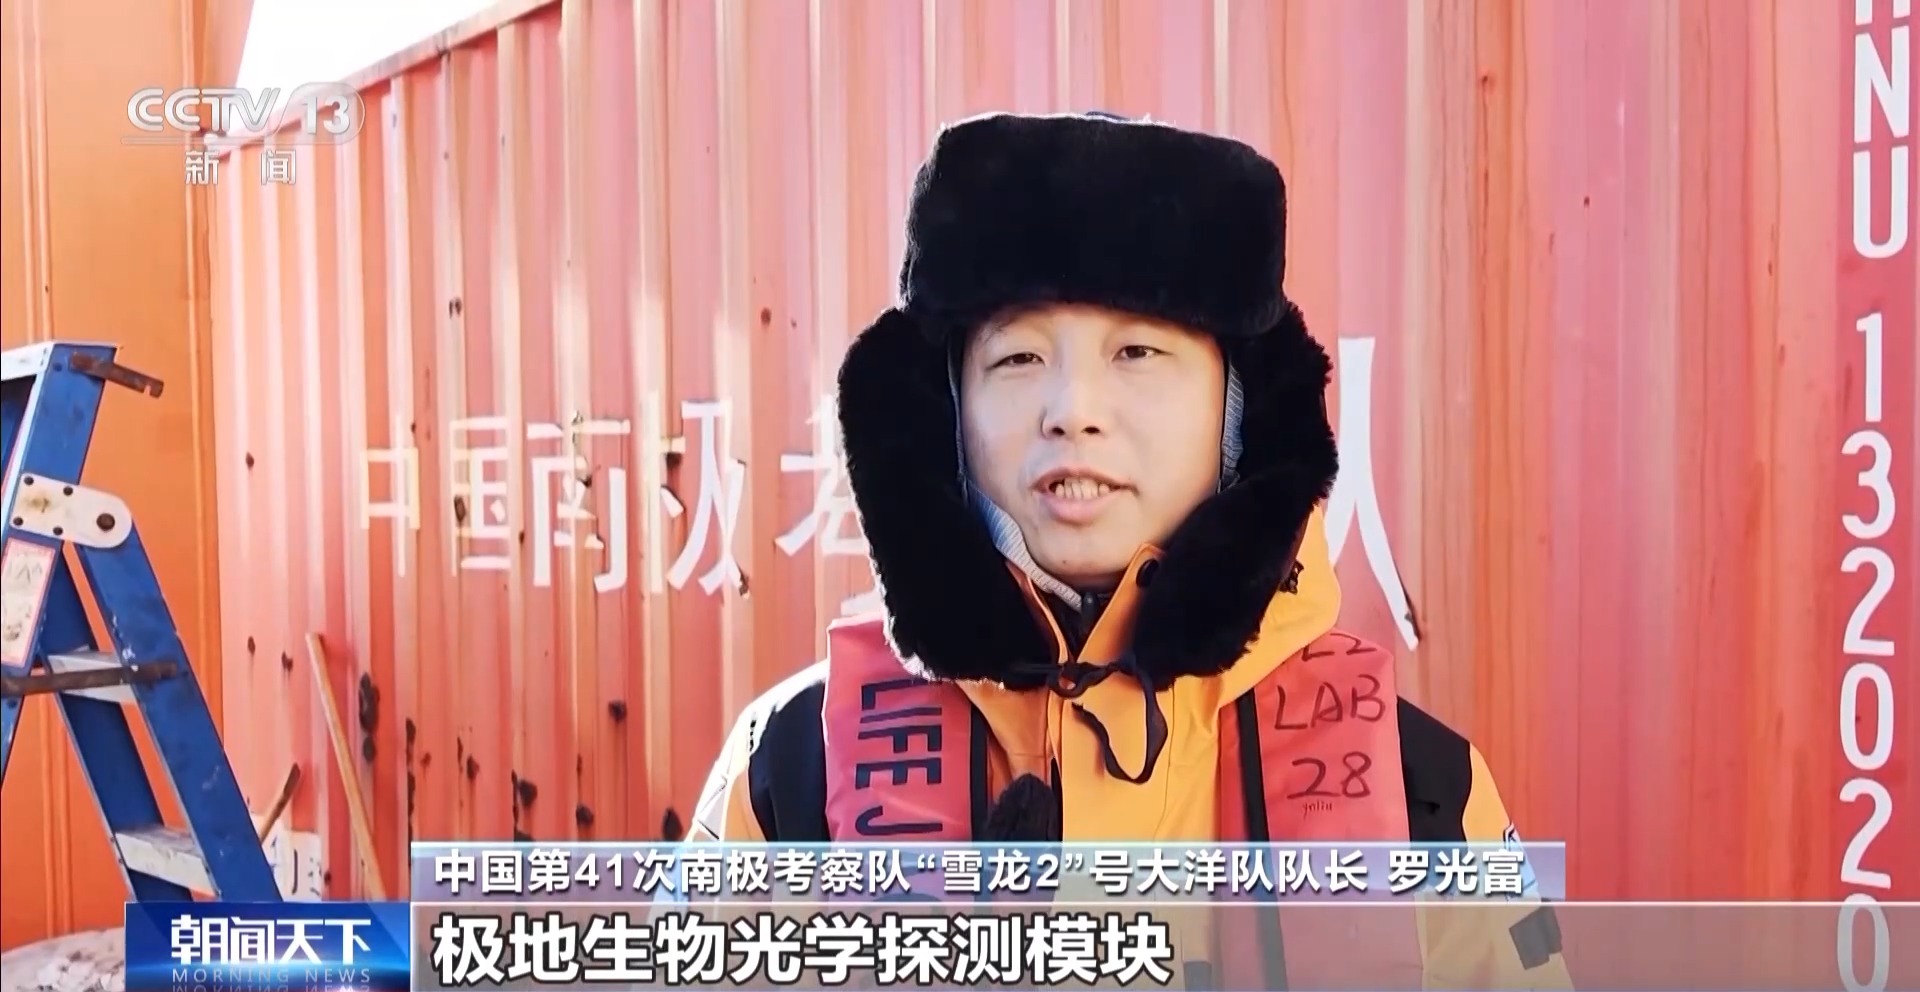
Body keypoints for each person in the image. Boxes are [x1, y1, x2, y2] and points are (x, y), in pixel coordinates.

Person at [687, 111, 1573, 990]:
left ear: (1238, 413)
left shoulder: (1421, 791)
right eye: (1018, 358)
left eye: (1138, 352)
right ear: (945, 413)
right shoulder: (790, 773)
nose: (1073, 410)